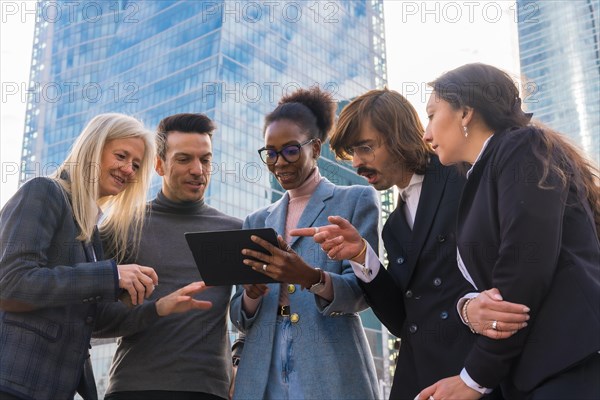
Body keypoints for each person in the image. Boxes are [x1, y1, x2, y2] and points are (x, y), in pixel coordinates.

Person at [291, 88, 528, 399]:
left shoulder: (464, 176)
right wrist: (362, 255)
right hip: (421, 383)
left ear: (399, 135)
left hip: (479, 377)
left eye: (366, 147)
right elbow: (404, 321)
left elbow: (513, 270)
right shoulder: (393, 227)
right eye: (353, 153)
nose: (358, 163)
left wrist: (477, 376)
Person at [414, 63, 600, 399]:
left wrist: (474, 378)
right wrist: (467, 309)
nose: (426, 134)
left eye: (431, 114)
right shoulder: (482, 174)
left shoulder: (521, 146)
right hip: (536, 371)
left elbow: (524, 265)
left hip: (572, 362)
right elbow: (482, 285)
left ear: (465, 112)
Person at [229, 87, 381, 400]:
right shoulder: (255, 220)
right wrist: (251, 296)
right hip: (262, 366)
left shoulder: (355, 200)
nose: (279, 162)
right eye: (270, 153)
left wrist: (311, 278)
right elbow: (238, 316)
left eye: (290, 151)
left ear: (314, 147)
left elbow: (365, 293)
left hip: (329, 361)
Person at [0, 113, 159, 400]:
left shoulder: (90, 232)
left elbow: (90, 320)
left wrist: (159, 308)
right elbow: (11, 283)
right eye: (121, 156)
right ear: (93, 149)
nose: (129, 170)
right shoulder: (43, 192)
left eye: (136, 165)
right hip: (14, 382)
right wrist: (111, 275)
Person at [92, 113, 243, 400]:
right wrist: (155, 308)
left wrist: (240, 360)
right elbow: (92, 319)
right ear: (159, 165)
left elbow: (254, 313)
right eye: (184, 159)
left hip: (209, 391)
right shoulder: (121, 225)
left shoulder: (234, 231)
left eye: (206, 159)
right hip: (134, 389)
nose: (198, 170)